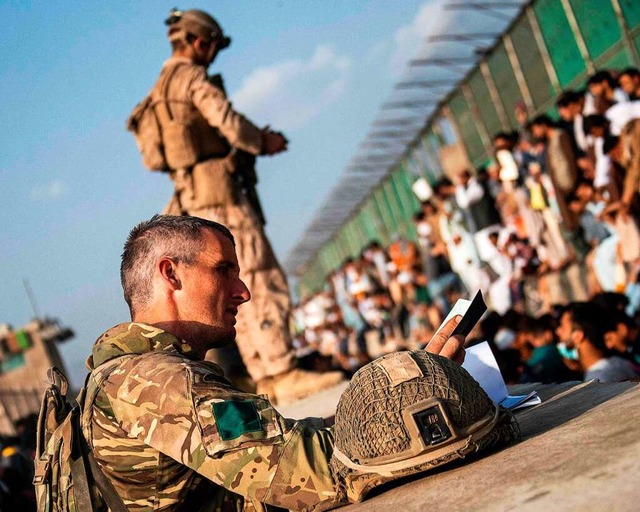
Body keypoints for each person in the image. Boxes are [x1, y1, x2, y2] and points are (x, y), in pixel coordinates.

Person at [81, 214, 468, 510]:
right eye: (223, 270)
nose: (243, 292)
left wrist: (389, 395)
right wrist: (412, 391)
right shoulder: (156, 383)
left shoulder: (125, 374)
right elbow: (311, 473)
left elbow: (276, 441)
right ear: (171, 275)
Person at [130, 8, 341, 403]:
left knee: (225, 285)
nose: (212, 55)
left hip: (190, 199)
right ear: (198, 42)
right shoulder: (191, 78)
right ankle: (280, 370)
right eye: (210, 46)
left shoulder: (157, 92)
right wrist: (262, 141)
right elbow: (225, 119)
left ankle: (266, 374)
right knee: (259, 278)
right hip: (221, 194)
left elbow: (151, 159)